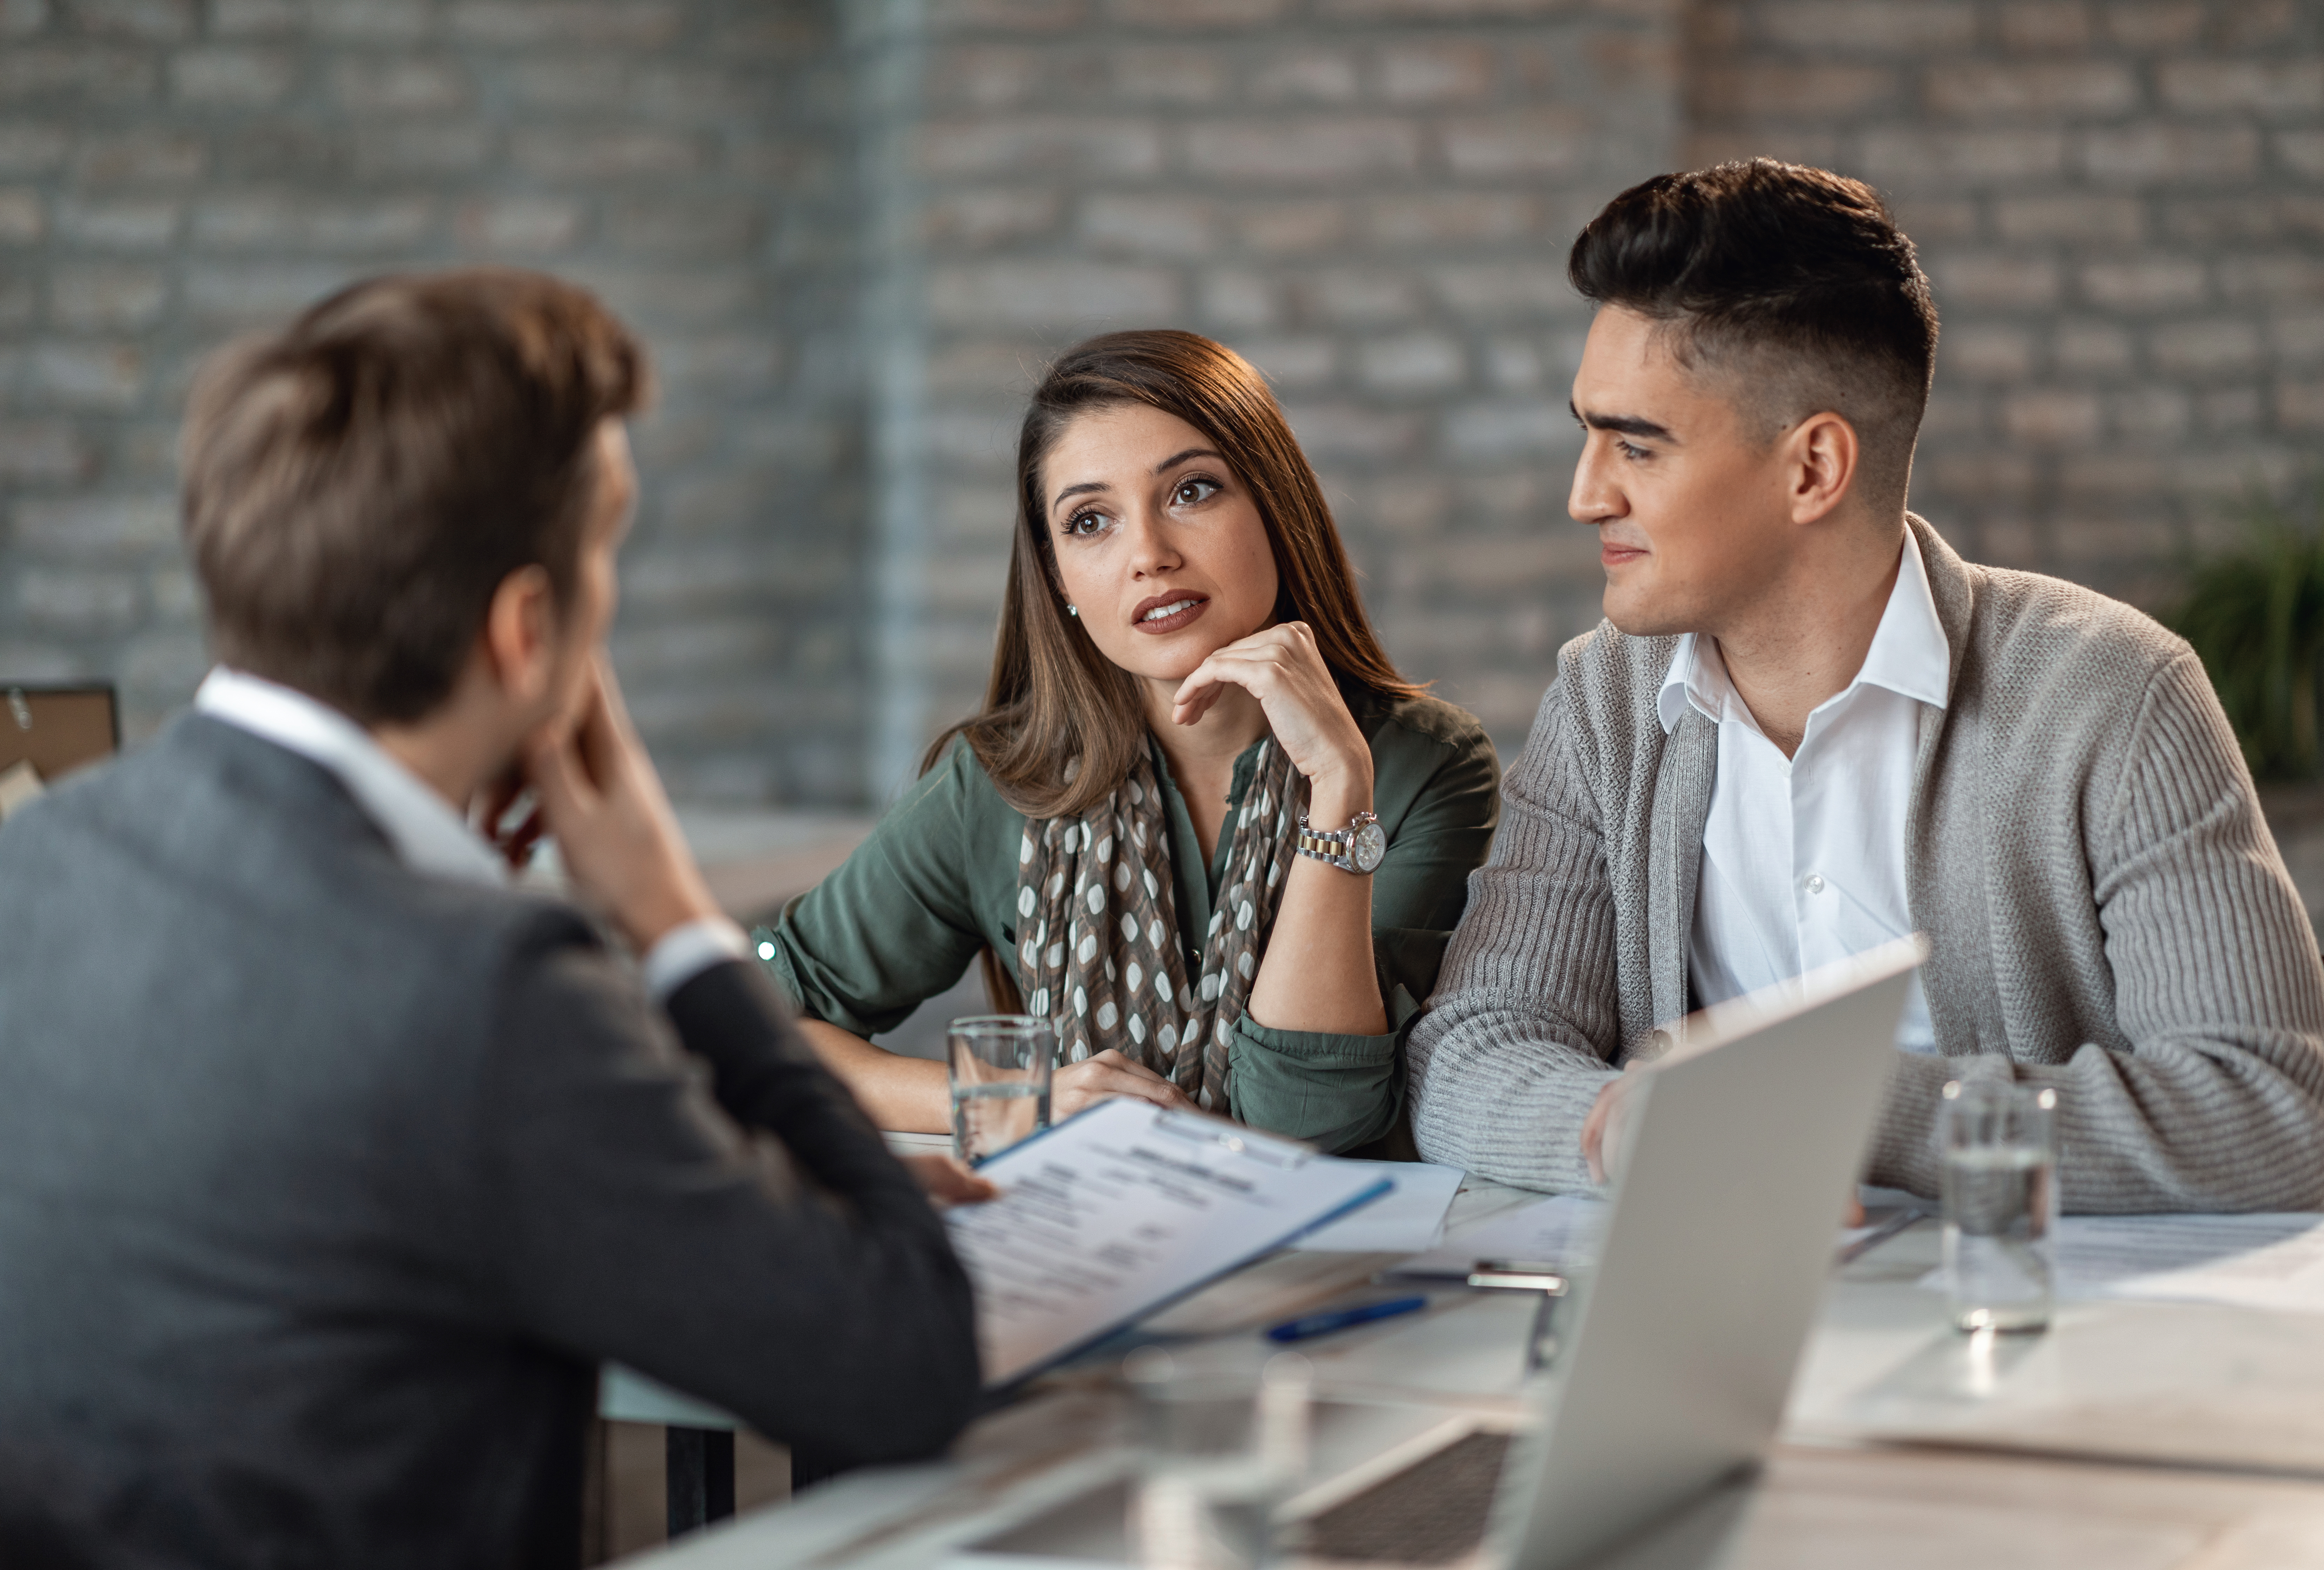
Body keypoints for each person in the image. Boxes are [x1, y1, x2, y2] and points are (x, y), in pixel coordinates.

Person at [0, 271, 983, 1568]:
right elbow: (906, 1365)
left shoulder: (40, 856)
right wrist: (672, 912)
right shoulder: (488, 990)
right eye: (607, 551)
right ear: (527, 634)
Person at [1405, 160, 2324, 1213]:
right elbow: (1471, 1049)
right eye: (1588, 433)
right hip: (1708, 1337)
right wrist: (1621, 1134)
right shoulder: (1604, 705)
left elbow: (2269, 1116)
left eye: (1637, 446)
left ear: (1813, 468)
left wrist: (1843, 1110)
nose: (1586, 495)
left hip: (2035, 1339)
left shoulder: (2115, 696)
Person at [755, 330, 1499, 1156]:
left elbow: (1304, 1120)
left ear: (1275, 506)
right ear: (1060, 577)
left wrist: (1336, 782)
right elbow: (758, 1022)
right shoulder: (1002, 782)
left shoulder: (1424, 766)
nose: (1150, 554)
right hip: (1090, 1252)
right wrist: (1019, 1098)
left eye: (1192, 491)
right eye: (1091, 521)